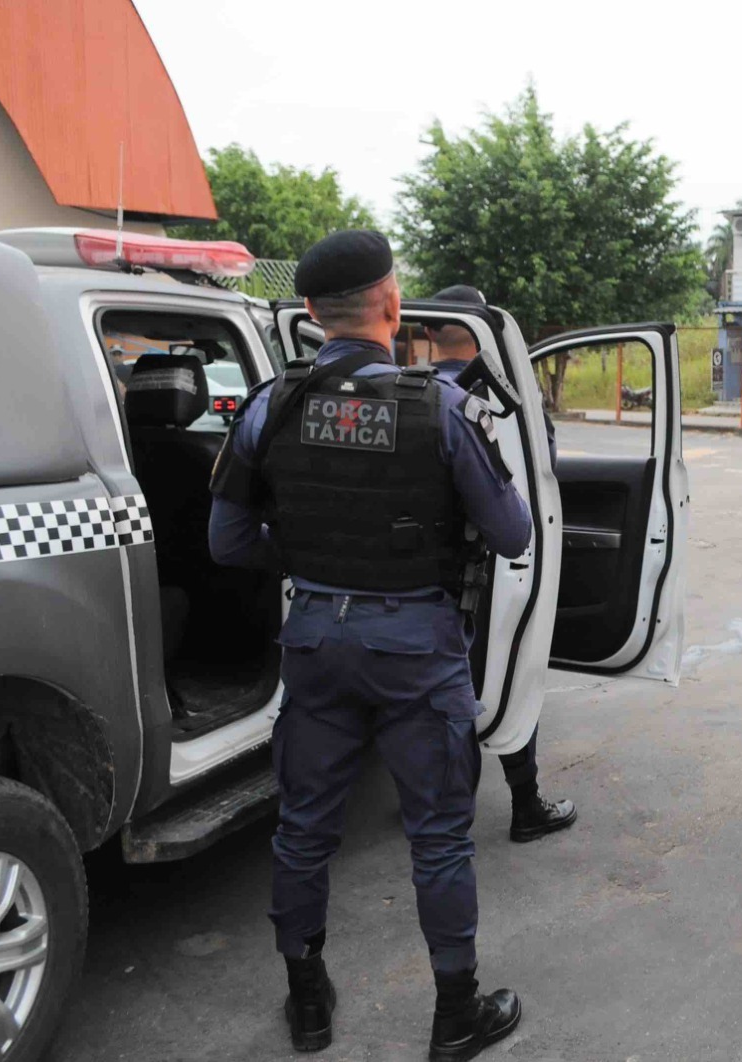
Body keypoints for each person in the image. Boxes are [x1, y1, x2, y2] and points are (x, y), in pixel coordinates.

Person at [208, 230, 528, 1060]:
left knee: (304, 828)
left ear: (311, 313)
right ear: (391, 303)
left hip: (315, 637)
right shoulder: (442, 409)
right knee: (440, 835)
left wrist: (309, 558)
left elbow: (227, 541)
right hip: (417, 647)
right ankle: (455, 1016)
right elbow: (514, 532)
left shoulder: (267, 406)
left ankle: (307, 1004)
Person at [425, 285, 576, 843]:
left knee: (443, 690)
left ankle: (440, 795)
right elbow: (543, 479)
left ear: (427, 334)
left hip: (423, 576)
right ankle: (524, 802)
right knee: (517, 667)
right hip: (498, 563)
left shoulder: (407, 392)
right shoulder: (514, 401)